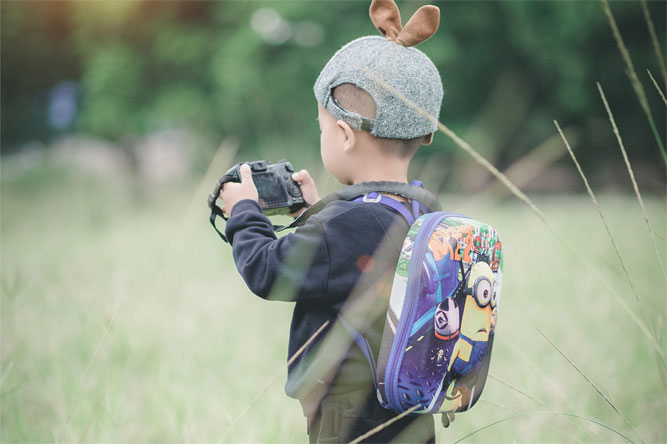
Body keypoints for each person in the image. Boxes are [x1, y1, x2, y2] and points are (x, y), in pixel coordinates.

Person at [220, 1, 443, 441]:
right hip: (412, 411)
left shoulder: (346, 225)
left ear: (342, 134)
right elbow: (352, 259)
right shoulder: (421, 208)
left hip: (349, 415)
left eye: (323, 127)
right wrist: (315, 214)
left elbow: (268, 272)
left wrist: (243, 212)